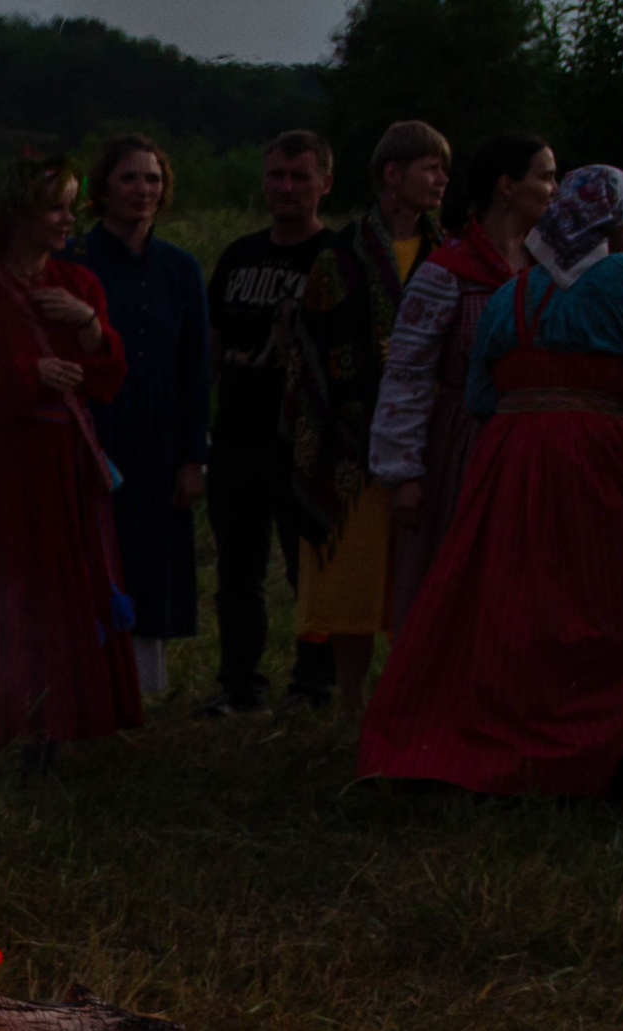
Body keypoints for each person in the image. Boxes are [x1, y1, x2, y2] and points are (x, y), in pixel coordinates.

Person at [360, 167, 623, 798]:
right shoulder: (618, 277)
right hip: (586, 458)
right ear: (615, 220)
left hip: (508, 459)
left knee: (507, 600)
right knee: (611, 599)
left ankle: (471, 742)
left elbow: (482, 392)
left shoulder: (517, 291)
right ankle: (584, 751)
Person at [0, 154, 137, 752]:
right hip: (10, 469)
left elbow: (108, 379)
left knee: (71, 583)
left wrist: (92, 325)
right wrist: (29, 373)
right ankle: (0, 722)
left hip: (67, 464)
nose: (68, 219)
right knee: (9, 585)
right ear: (17, 214)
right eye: (54, 207)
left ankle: (70, 721)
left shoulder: (79, 286)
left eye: (71, 206)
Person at [285, 120, 448, 721]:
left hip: (427, 439)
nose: (441, 181)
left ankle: (410, 701)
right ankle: (351, 702)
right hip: (349, 443)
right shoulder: (342, 255)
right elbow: (313, 347)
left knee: (417, 575)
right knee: (354, 577)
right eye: (430, 168)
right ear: (393, 174)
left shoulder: (449, 252)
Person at [369, 134, 555, 633]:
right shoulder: (447, 272)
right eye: (545, 176)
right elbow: (406, 375)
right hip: (464, 445)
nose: (553, 190)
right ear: (507, 188)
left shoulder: (547, 269)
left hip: (531, 446)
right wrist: (404, 473)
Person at [203, 132, 338, 716]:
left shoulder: (335, 259)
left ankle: (311, 687)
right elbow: (211, 344)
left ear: (325, 184)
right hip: (236, 438)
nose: (286, 187)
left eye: (300, 177)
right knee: (238, 570)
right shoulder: (239, 256)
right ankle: (238, 684)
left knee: (310, 568)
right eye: (277, 175)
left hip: (304, 443)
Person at [71, 134, 208, 700]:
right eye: (129, 178)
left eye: (152, 179)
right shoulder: (74, 263)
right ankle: (88, 680)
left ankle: (145, 688)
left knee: (154, 554)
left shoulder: (179, 268)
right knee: (96, 550)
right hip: (97, 427)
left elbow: (196, 365)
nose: (142, 190)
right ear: (103, 187)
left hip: (161, 434)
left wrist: (194, 457)